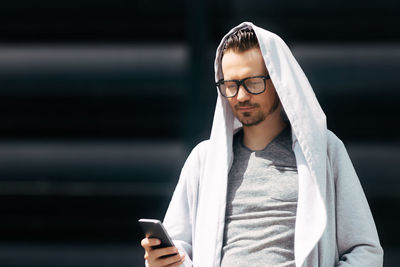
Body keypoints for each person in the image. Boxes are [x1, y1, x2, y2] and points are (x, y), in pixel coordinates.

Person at [141, 22, 383, 267]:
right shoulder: (204, 161)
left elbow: (366, 250)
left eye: (253, 82)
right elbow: (178, 246)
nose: (242, 96)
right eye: (231, 85)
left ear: (279, 81)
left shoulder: (323, 151)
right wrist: (163, 261)